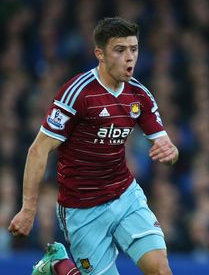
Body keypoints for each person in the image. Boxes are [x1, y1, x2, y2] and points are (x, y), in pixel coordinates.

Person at [8, 17, 178, 275]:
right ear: (100, 53)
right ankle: (57, 266)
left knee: (161, 270)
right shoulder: (77, 94)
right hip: (82, 209)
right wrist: (28, 209)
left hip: (125, 196)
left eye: (134, 49)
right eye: (120, 50)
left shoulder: (139, 95)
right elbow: (38, 150)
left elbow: (166, 145)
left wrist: (171, 152)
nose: (129, 57)